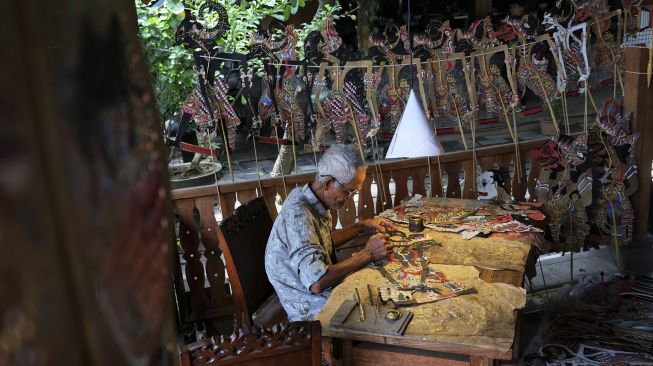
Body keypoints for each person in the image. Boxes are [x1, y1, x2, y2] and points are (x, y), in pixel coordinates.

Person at [265, 144, 398, 321]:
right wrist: (368, 253)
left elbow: (320, 242)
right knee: (390, 310)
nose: (350, 197)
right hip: (312, 309)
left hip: (317, 292)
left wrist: (361, 227)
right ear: (328, 183)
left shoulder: (308, 197)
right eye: (349, 191)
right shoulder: (299, 216)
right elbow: (317, 283)